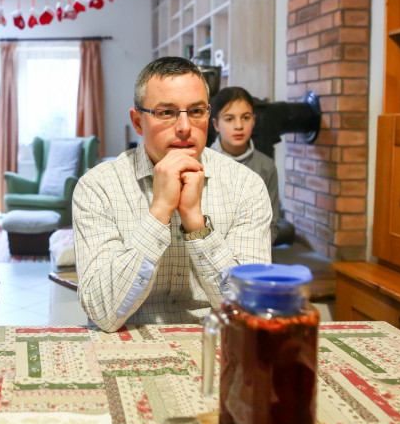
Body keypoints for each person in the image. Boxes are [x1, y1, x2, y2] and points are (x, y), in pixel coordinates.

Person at [73, 57, 271, 332]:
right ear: (138, 122)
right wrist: (159, 212)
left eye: (196, 111)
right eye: (166, 112)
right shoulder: (98, 187)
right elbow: (103, 313)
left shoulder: (246, 186)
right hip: (125, 341)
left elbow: (251, 311)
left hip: (213, 340)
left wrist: (196, 225)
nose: (184, 127)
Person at [210, 86, 283, 246]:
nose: (239, 126)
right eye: (229, 119)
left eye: (246, 117)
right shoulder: (202, 163)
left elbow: (272, 224)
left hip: (253, 253)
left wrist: (254, 253)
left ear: (253, 120)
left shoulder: (266, 166)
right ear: (216, 124)